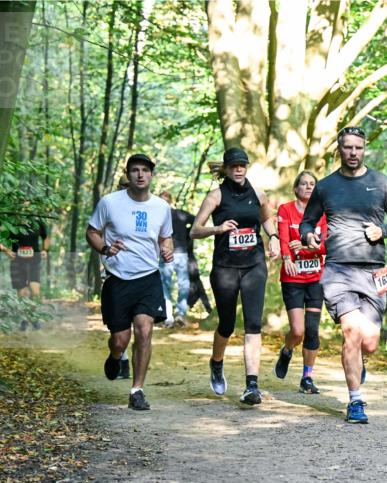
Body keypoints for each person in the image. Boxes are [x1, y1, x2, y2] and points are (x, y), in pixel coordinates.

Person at [299, 126, 387, 423]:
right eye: (348, 148)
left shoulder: (381, 183)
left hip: (373, 271)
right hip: (338, 270)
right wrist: (309, 237)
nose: (353, 153)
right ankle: (355, 401)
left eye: (358, 148)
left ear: (365, 148)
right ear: (340, 149)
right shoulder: (326, 186)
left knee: (369, 342)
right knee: (351, 331)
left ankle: (356, 362)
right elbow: (307, 223)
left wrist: (382, 229)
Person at [191, 147, 281, 405]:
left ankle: (252, 385)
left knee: (253, 324)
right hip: (225, 268)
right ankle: (216, 363)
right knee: (227, 325)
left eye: (243, 165)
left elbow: (266, 219)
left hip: (254, 264)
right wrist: (218, 228)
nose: (239, 169)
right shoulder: (215, 196)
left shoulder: (258, 193)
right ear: (227, 169)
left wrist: (273, 237)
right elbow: (195, 231)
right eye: (234, 166)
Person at [86, 153, 173, 410]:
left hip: (148, 278)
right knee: (120, 340)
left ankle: (137, 390)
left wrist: (167, 249)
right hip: (118, 278)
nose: (140, 174)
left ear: (151, 175)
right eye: (135, 170)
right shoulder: (110, 203)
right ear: (128, 174)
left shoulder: (161, 207)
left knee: (145, 331)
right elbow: (92, 232)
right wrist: (104, 249)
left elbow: (166, 237)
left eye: (145, 170)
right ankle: (115, 356)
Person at [274, 170, 327, 394]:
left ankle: (307, 377)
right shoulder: (286, 210)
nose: (308, 187)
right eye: (303, 184)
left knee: (312, 330)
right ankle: (287, 350)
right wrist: (287, 257)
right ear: (296, 188)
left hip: (316, 278)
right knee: (297, 331)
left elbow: (326, 245)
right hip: (293, 277)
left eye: (312, 184)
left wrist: (305, 247)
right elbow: (284, 239)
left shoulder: (323, 214)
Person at [158, 191, 194, 327]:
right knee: (177, 284)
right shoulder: (180, 214)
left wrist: (188, 236)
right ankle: (175, 315)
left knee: (171, 285)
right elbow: (196, 221)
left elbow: (197, 222)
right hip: (170, 254)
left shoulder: (163, 216)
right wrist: (188, 235)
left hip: (176, 254)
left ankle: (174, 315)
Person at [3, 219, 49, 300]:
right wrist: (7, 251)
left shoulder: (38, 222)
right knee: (22, 292)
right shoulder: (12, 223)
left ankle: (33, 311)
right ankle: (22, 312)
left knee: (35, 291)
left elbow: (45, 237)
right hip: (17, 259)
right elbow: (0, 239)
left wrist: (45, 250)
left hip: (34, 259)